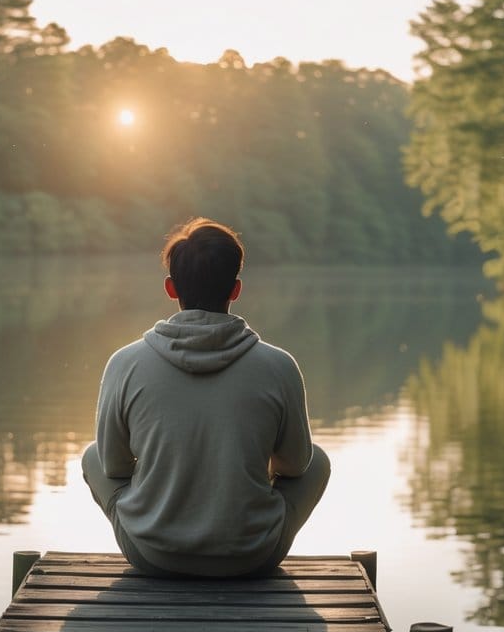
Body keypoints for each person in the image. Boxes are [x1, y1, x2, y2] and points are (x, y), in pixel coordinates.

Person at [81, 217, 330, 577]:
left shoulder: (125, 363)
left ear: (170, 288)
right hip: (252, 556)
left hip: (152, 555)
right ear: (236, 289)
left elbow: (115, 468)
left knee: (93, 456)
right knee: (316, 460)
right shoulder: (279, 366)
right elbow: (293, 466)